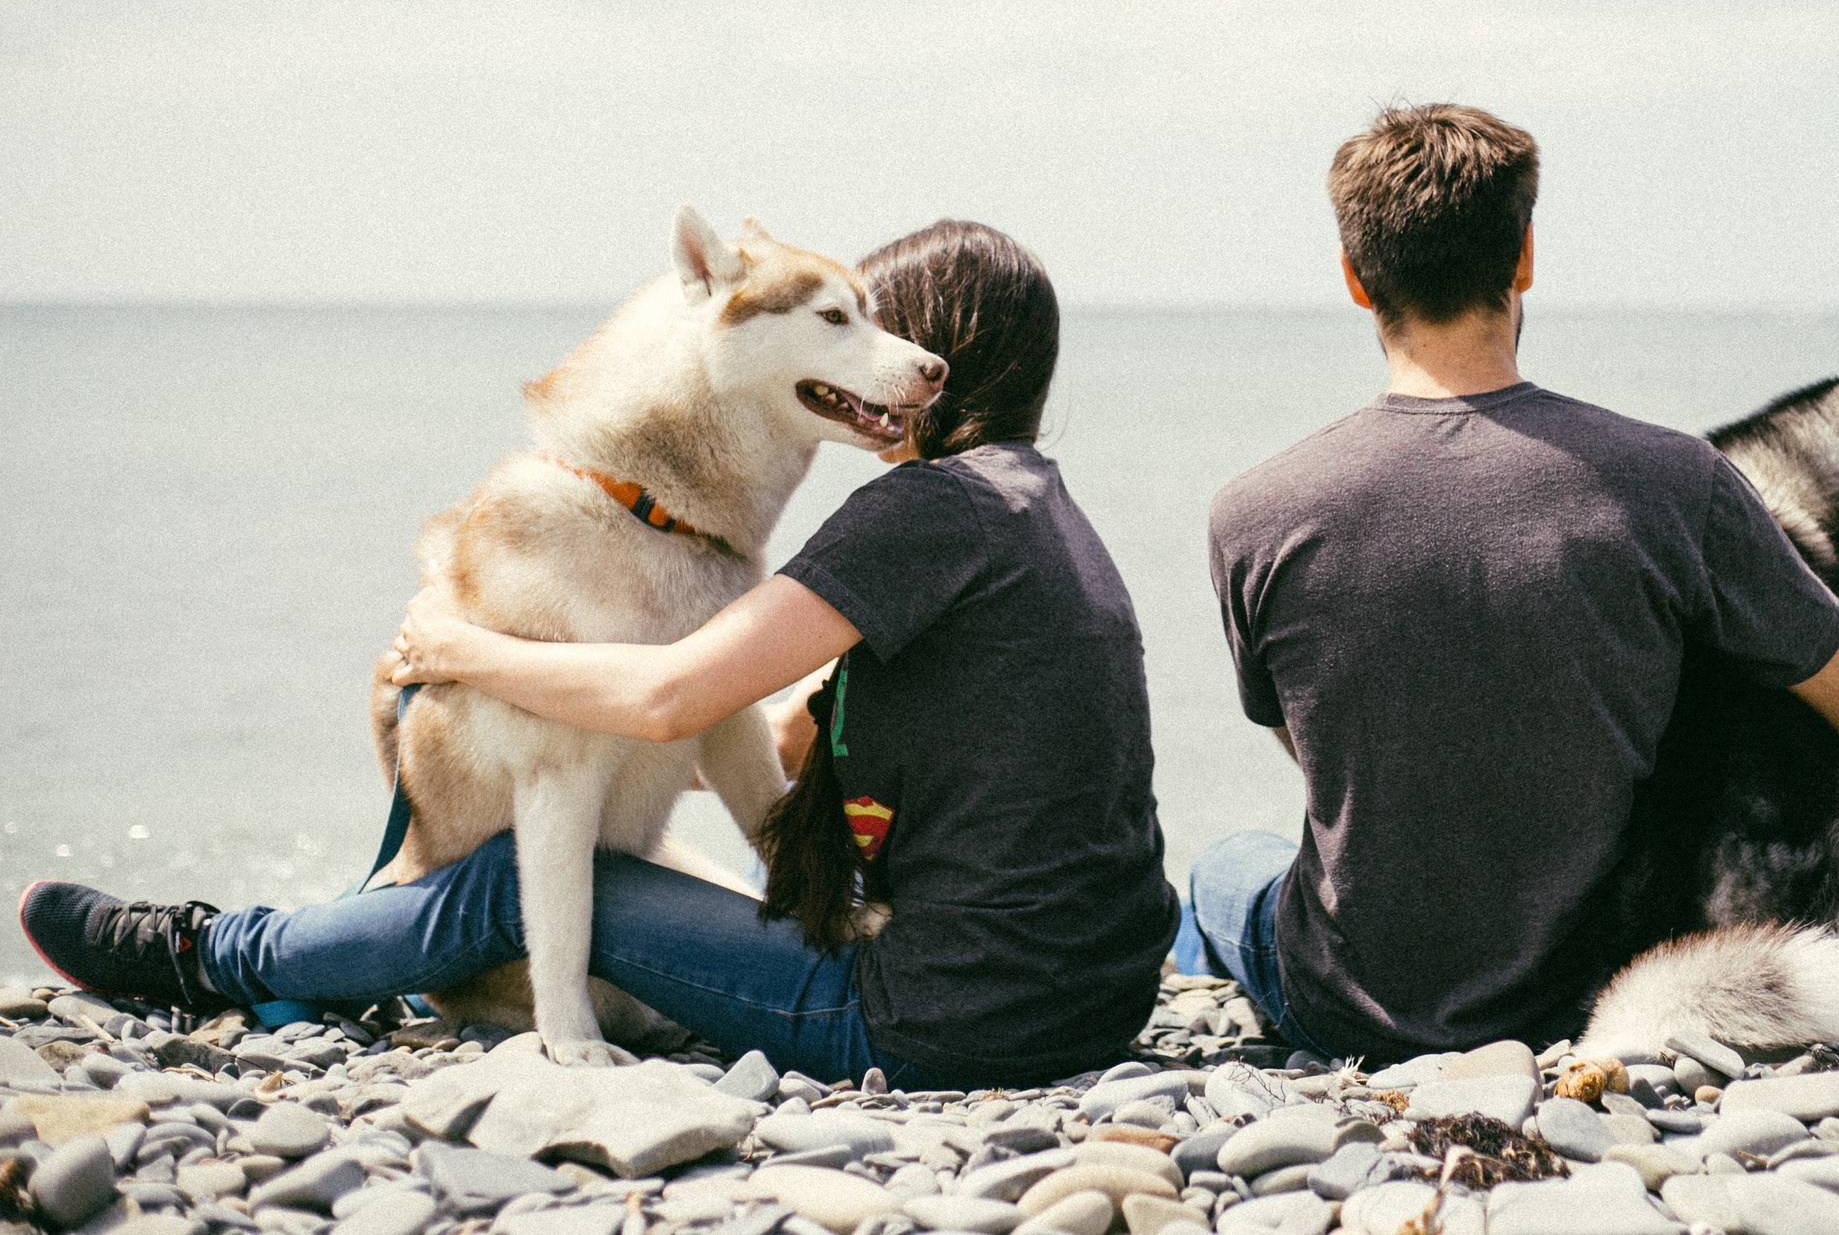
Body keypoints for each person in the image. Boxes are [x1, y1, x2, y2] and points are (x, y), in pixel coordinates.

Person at [20, 219, 1180, 1090]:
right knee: (589, 857)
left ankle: (207, 950)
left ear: (948, 352)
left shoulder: (924, 514)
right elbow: (758, 733)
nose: (887, 359)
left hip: (941, 1017)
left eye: (892, 328)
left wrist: (461, 648)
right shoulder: (1036, 506)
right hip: (1094, 996)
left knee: (507, 883)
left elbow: (674, 698)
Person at [1184, 104, 1839, 1063]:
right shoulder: (1676, 483)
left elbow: (1324, 756)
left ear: (1356, 278)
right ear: (1524, 256)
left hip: (1350, 1005)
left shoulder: (1253, 514)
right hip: (1596, 996)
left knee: (1218, 870)